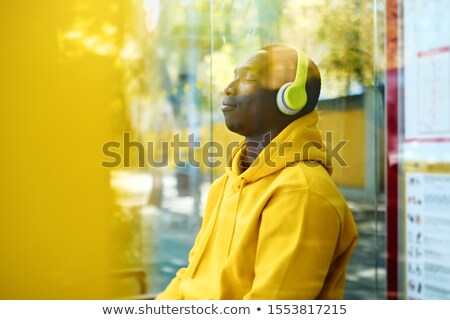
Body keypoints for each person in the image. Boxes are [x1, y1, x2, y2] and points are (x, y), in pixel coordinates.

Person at [156, 44, 358, 299]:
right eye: (233, 76)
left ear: (290, 98)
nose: (228, 88)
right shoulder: (224, 186)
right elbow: (191, 278)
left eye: (248, 79)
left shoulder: (302, 193)